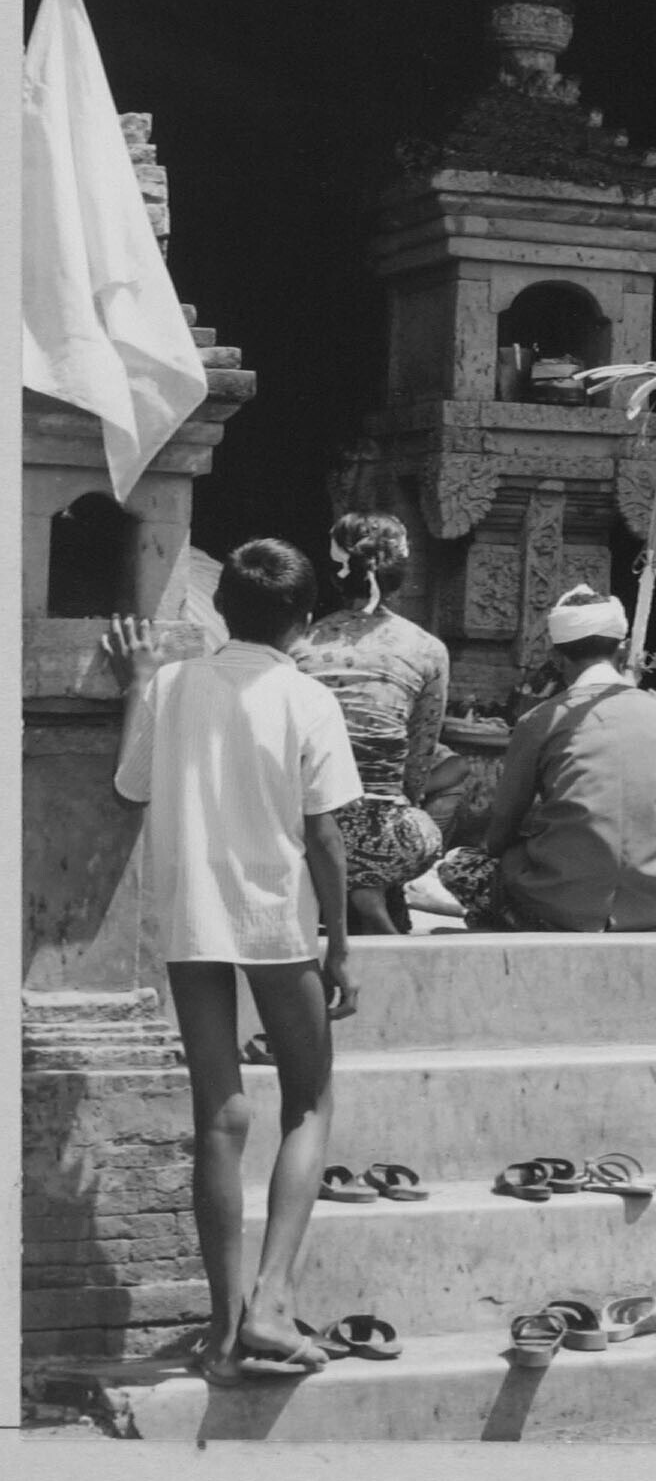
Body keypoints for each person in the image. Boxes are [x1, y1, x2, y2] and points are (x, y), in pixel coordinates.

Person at [103, 539, 361, 1386]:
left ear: (222, 610)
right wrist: (340, 944)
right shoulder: (308, 697)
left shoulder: (173, 685)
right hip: (274, 917)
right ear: (304, 621)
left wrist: (140, 682)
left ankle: (223, 1332)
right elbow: (325, 837)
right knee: (309, 1101)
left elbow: (130, 789)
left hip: (191, 915)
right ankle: (272, 1304)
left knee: (219, 1116)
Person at [435, 584, 656, 931]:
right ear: (623, 649)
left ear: (557, 656)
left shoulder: (539, 720)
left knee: (457, 864)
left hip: (561, 905)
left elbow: (502, 828)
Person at [292, 513, 449, 935]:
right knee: (422, 829)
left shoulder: (299, 646)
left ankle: (346, 884)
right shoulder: (427, 649)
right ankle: (368, 887)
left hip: (306, 832)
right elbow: (418, 762)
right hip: (388, 840)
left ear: (334, 574)